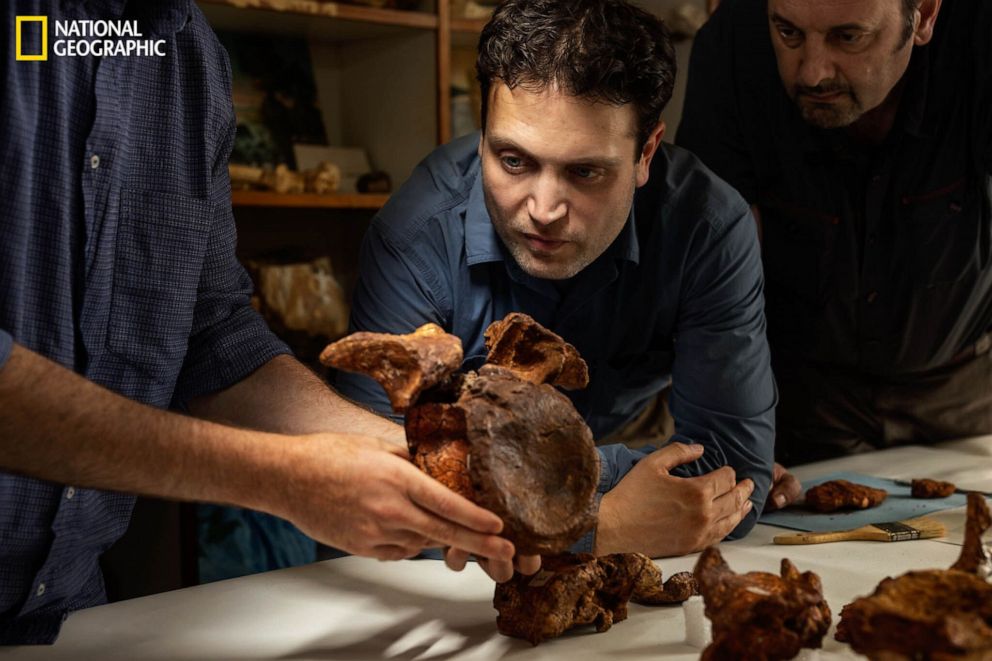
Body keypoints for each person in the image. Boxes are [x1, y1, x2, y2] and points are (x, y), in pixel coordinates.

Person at [0, 0, 532, 645]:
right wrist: (281, 476)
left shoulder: (185, 52)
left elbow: (213, 336)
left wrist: (413, 462)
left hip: (64, 611)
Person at [335, 0, 799, 562]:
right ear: (482, 136)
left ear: (646, 152)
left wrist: (481, 467)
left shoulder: (706, 226)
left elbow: (735, 474)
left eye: (585, 172)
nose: (544, 209)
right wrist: (602, 525)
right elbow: (373, 483)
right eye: (513, 161)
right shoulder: (416, 234)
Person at [677, 0, 992, 464]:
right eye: (789, 34)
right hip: (795, 394)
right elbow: (713, 272)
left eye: (848, 37)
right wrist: (730, 437)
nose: (813, 74)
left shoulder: (979, 37)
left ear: (923, 15)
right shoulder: (732, 45)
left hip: (960, 386)